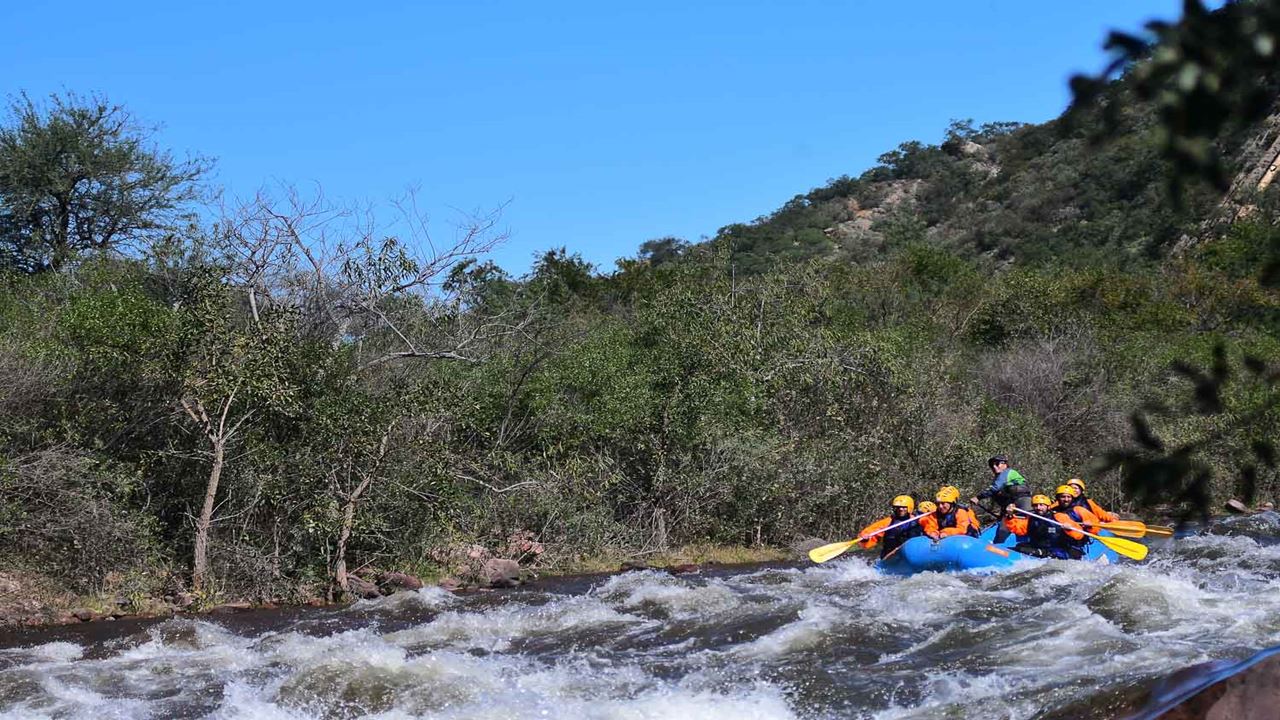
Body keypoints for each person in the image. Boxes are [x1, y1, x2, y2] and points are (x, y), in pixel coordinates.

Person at [1003, 494, 1089, 559]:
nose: (1038, 508)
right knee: (1018, 547)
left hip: (1057, 549)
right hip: (1038, 546)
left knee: (1025, 551)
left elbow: (1079, 534)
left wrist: (1069, 529)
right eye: (1035, 505)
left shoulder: (1059, 516)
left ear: (1048, 506)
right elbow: (1017, 528)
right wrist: (1010, 516)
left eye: (1041, 505)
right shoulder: (1032, 518)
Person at [973, 455, 1032, 543]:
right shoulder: (998, 478)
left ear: (1004, 464)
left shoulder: (1008, 472)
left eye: (997, 464)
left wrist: (978, 497)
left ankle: (1033, 544)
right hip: (1011, 505)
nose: (994, 467)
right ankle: (997, 546)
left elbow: (994, 488)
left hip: (1022, 501)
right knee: (1004, 526)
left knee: (1030, 522)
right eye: (992, 466)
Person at [857, 495, 924, 558]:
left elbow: (930, 527)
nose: (900, 509)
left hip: (914, 552)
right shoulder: (887, 522)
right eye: (898, 507)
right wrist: (865, 538)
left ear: (909, 508)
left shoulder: (918, 520)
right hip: (892, 555)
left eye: (904, 507)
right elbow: (870, 532)